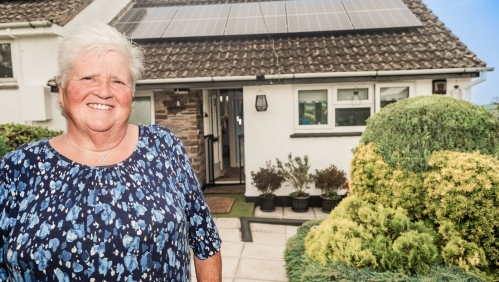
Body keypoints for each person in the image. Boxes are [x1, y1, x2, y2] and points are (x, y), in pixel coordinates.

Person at [0, 22, 221, 281]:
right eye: (88, 78)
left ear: (131, 94)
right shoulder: (18, 168)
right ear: (61, 90)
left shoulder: (164, 147)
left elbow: (205, 241)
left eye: (118, 81)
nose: (104, 91)